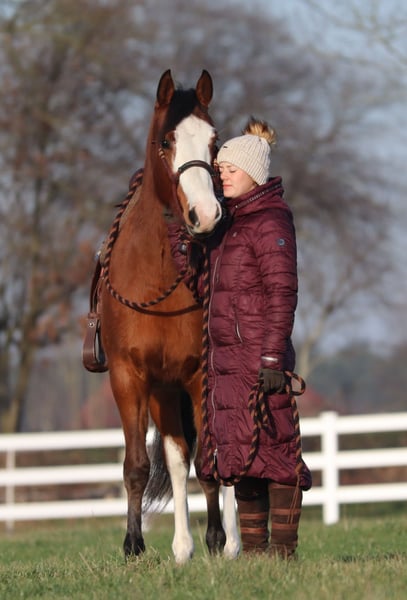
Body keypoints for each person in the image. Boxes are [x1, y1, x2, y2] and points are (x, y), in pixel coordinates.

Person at [169, 117, 312, 559]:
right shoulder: (229, 225)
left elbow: (282, 293)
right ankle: (254, 553)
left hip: (259, 361)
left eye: (230, 169)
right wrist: (180, 243)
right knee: (241, 458)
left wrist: (272, 359)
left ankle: (283, 552)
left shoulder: (271, 222)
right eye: (221, 170)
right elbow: (205, 288)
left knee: (278, 456)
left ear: (252, 172)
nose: (223, 176)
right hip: (226, 365)